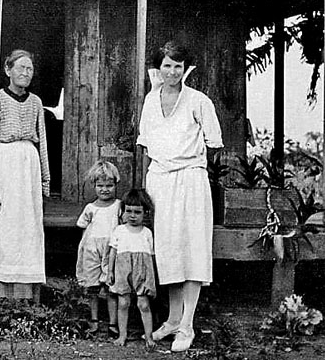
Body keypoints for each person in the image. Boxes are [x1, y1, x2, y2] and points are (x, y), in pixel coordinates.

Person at [137, 41, 223, 352]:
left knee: (192, 249)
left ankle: (187, 325)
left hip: (191, 181)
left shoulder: (199, 101)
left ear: (185, 69)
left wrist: (191, 167)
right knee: (169, 250)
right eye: (167, 65)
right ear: (159, 68)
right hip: (160, 181)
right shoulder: (150, 101)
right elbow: (147, 146)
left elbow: (214, 144)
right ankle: (173, 319)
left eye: (178, 66)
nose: (172, 71)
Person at [0, 49, 50, 302]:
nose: (25, 73)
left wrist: (44, 182)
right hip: (1, 164)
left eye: (30, 69)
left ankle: (23, 295)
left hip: (27, 167)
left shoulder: (36, 102)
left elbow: (43, 144)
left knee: (25, 226)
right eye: (20, 68)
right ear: (8, 70)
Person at [75, 160, 121, 337]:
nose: (104, 189)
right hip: (92, 249)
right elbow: (83, 227)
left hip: (111, 250)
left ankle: (112, 323)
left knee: (111, 288)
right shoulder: (90, 208)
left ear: (115, 184)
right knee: (92, 288)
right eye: (100, 185)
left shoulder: (118, 206)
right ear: (94, 185)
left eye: (109, 185)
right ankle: (94, 321)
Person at [107, 189, 157, 348]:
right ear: (123, 211)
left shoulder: (147, 233)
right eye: (128, 211)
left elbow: (152, 256)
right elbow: (113, 252)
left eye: (137, 212)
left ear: (145, 213)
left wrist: (153, 275)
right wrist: (109, 271)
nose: (132, 215)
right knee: (123, 302)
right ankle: (122, 335)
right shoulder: (119, 231)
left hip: (142, 271)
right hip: (122, 269)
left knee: (143, 304)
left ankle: (149, 337)